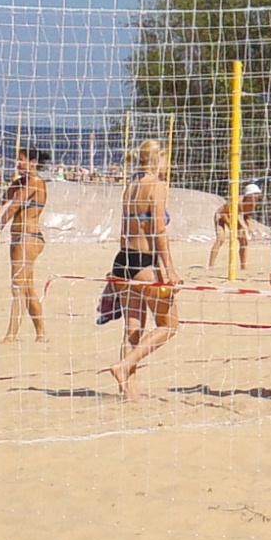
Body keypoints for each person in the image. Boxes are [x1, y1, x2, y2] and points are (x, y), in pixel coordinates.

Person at [102, 141, 178, 400]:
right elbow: (159, 231)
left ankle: (129, 393)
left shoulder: (131, 186)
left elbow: (124, 231)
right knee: (169, 325)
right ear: (157, 159)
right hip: (143, 262)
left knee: (133, 328)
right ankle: (123, 366)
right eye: (166, 158)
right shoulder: (156, 186)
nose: (169, 164)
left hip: (123, 260)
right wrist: (169, 269)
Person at [0, 148, 51, 343]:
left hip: (29, 236)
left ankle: (11, 335)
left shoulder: (35, 182)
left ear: (32, 162)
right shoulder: (19, 182)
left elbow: (14, 206)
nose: (18, 164)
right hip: (18, 236)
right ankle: (41, 334)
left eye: (21, 160)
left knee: (18, 286)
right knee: (27, 287)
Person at [223, 179, 262, 276]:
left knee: (244, 241)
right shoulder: (238, 201)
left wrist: (250, 227)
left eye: (258, 195)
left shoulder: (252, 205)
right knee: (220, 240)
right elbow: (223, 213)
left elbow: (246, 216)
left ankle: (243, 265)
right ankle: (211, 265)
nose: (257, 197)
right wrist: (231, 227)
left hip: (233, 217)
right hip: (221, 216)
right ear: (249, 195)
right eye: (255, 194)